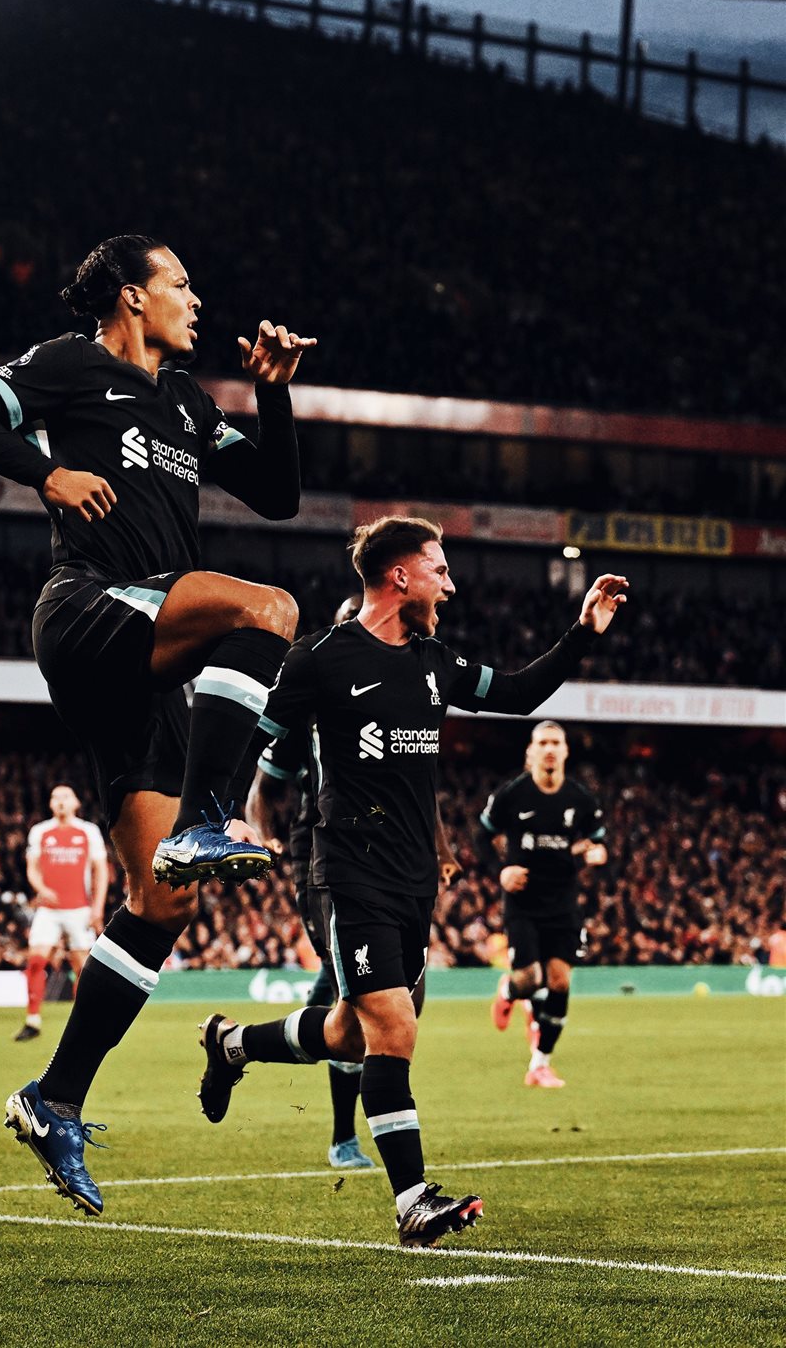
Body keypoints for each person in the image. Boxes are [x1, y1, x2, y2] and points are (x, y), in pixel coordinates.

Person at [0, 234, 314, 1216]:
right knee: (269, 609)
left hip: (144, 660)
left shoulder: (187, 400)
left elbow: (277, 495)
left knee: (163, 902)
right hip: (91, 606)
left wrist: (271, 393)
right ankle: (211, 814)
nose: (196, 297)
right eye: (180, 282)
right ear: (133, 297)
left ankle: (54, 1097)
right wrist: (43, 473)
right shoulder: (71, 363)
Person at [197, 515, 627, 1248]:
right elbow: (255, 740)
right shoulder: (319, 658)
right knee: (394, 1029)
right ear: (400, 576)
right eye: (440, 570)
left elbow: (519, 692)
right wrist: (229, 817)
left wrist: (584, 632)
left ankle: (232, 1045)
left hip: (413, 880)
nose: (450, 586)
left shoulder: (436, 661)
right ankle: (413, 1201)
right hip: (348, 871)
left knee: (351, 1034)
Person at [247, 593, 460, 1172]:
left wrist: (441, 850)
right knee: (369, 1003)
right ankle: (346, 1138)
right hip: (326, 854)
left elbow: (418, 791)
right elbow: (264, 785)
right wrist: (260, 833)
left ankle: (237, 1043)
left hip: (394, 856)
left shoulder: (400, 695)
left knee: (376, 1009)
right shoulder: (313, 702)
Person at [477, 721, 607, 1088]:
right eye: (543, 743)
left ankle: (540, 1064)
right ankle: (508, 991)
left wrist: (597, 854)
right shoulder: (512, 795)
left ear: (565, 751)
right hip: (523, 901)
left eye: (555, 743)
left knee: (559, 982)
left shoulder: (581, 800)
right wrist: (501, 871)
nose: (549, 749)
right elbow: (481, 837)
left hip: (563, 901)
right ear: (531, 751)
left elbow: (598, 842)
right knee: (530, 979)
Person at [14, 784, 108, 1043]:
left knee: (83, 969)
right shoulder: (40, 831)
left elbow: (101, 870)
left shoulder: (88, 831)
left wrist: (98, 907)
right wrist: (42, 889)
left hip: (79, 908)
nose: (60, 801)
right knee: (36, 962)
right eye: (55, 797)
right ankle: (33, 1020)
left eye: (66, 796)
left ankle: (83, 1025)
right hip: (49, 910)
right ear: (50, 804)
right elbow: (32, 868)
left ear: (76, 803)